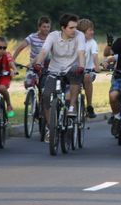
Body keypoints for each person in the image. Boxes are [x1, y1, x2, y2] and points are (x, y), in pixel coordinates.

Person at [32, 13, 86, 142]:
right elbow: (44, 51)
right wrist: (38, 63)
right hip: (55, 70)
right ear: (63, 28)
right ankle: (51, 128)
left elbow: (81, 53)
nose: (74, 30)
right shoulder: (53, 36)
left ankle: (72, 106)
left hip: (72, 69)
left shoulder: (80, 35)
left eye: (75, 27)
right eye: (71, 28)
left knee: (75, 73)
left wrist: (82, 66)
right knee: (45, 95)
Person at [78, 18, 101, 118]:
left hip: (88, 70)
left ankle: (89, 106)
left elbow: (95, 56)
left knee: (87, 77)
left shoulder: (92, 42)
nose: (92, 32)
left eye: (92, 30)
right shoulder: (75, 41)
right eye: (90, 30)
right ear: (82, 32)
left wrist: (96, 66)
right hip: (76, 71)